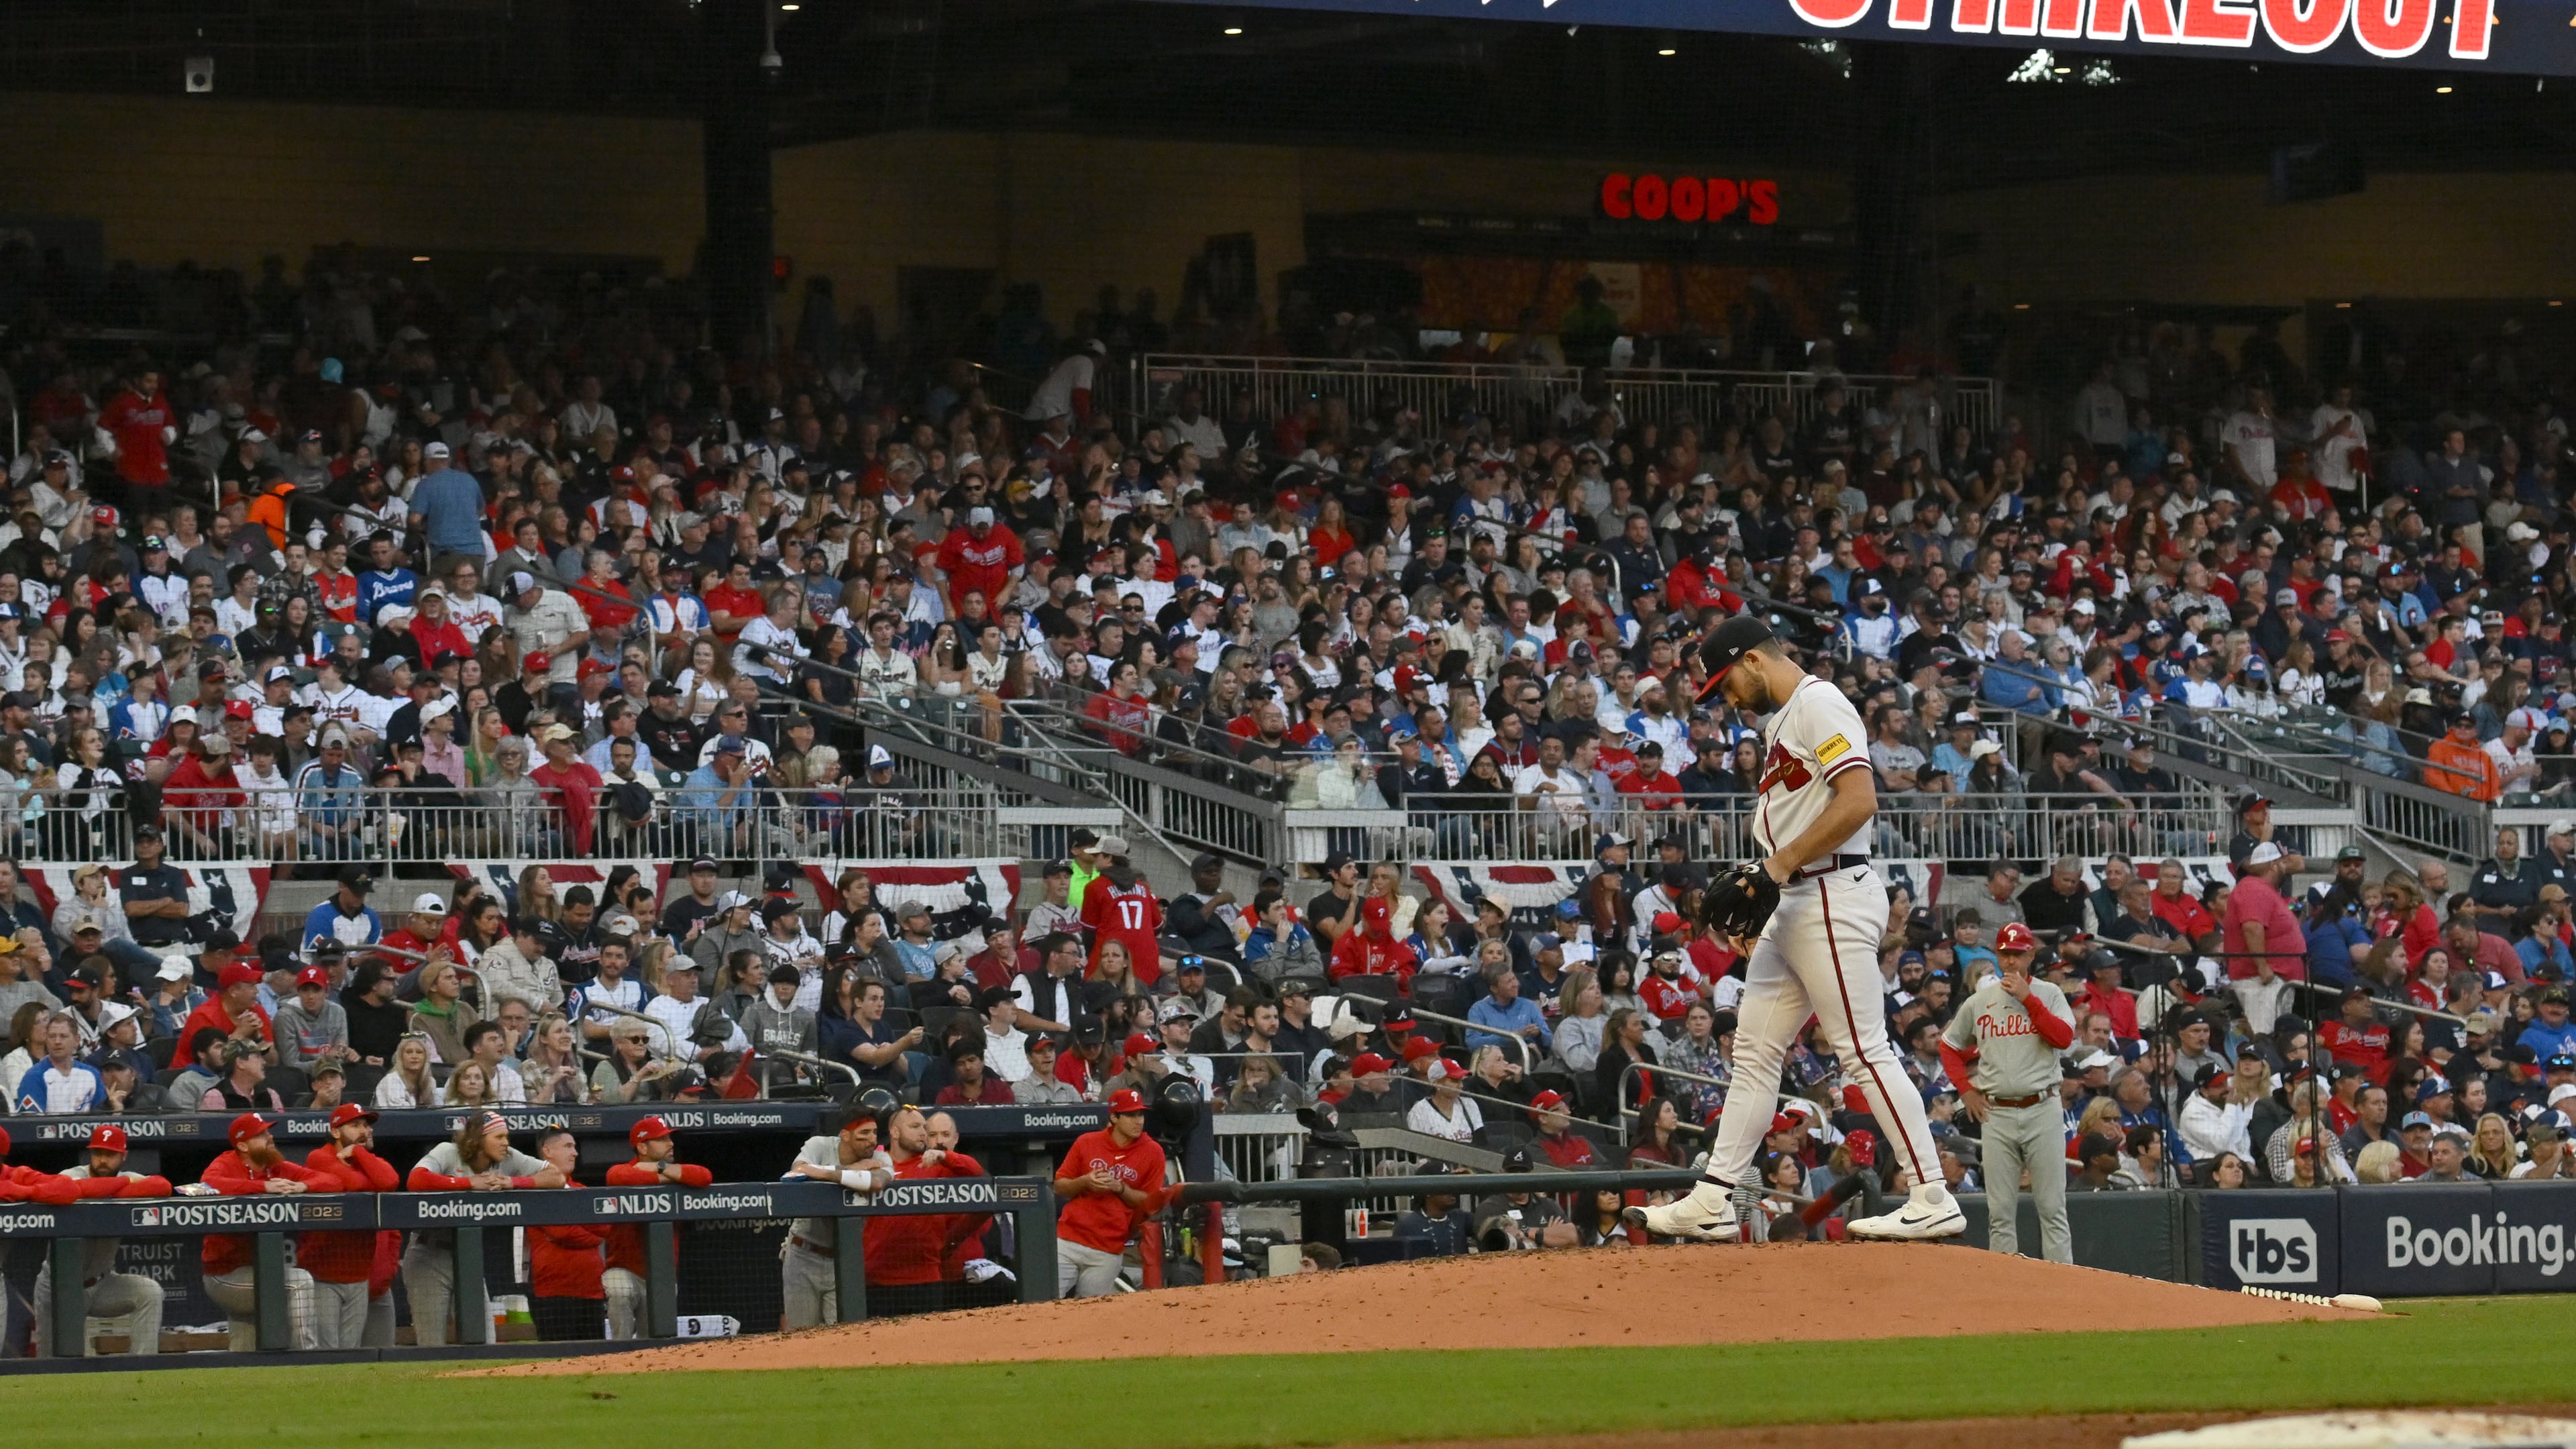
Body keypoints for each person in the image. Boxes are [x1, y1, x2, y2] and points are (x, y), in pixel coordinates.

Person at [1633, 616, 1960, 1243]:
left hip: (1829, 892)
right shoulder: (1782, 719)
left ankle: (1931, 1192)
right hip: (1796, 897)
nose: (1724, 698)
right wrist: (1765, 887)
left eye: (1725, 682)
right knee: (1754, 1053)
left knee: (1862, 1051)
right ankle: (1714, 1197)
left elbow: (1860, 799)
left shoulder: (1819, 702)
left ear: (1754, 661)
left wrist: (1776, 867)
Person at [1938, 922, 2076, 1263]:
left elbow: (2063, 1038)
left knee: (2052, 1208)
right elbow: (1949, 1045)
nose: (2011, 961)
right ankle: (2006, 1294)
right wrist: (1966, 1090)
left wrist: (2029, 1000)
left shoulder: (2049, 993)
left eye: (2018, 954)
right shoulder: (1981, 1001)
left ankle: (2064, 1293)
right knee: (2000, 1213)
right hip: (1996, 1111)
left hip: (2042, 1106)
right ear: (1997, 955)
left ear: (2030, 955)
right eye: (2005, 953)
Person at [401, 1110, 567, 1344]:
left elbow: (557, 1177)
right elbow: (416, 1179)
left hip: (467, 1256)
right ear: (478, 1139)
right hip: (429, 1253)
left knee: (484, 1337)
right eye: (499, 1137)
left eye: (506, 1136)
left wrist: (515, 1181)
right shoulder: (449, 1152)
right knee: (431, 1342)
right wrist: (468, 1183)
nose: (506, 1143)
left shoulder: (508, 1157)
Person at [34, 1124, 171, 1358]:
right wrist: (123, 1188)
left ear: (123, 1156)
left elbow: (162, 1186)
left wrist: (114, 1187)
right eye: (98, 1154)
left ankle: (142, 1368)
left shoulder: (129, 1178)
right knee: (57, 1363)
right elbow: (74, 1189)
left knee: (150, 1293)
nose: (102, 1161)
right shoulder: (71, 1175)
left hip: (103, 1283)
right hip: (59, 1286)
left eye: (110, 1155)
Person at [198, 1112, 323, 1351]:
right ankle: (307, 1357)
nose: (270, 1137)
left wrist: (304, 1185)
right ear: (243, 1145)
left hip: (261, 1271)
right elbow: (205, 1186)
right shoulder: (228, 1162)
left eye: (268, 1132)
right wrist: (262, 1187)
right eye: (261, 1134)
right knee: (300, 1282)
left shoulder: (276, 1166)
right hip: (225, 1275)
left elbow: (331, 1181)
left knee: (245, 1356)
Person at [779, 1109, 897, 1329]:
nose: (872, 1139)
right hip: (803, 1254)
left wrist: (822, 1174)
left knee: (844, 1334)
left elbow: (878, 1182)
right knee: (801, 1335)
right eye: (864, 1133)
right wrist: (851, 1170)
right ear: (845, 1135)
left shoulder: (880, 1157)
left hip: (844, 1260)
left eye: (874, 1132)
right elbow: (797, 1172)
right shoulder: (820, 1145)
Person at [864, 1105, 987, 1315]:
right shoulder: (873, 1164)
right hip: (876, 1280)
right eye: (914, 1127)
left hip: (925, 1278)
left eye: (924, 1127)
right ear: (895, 1132)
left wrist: (946, 1157)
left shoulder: (935, 1165)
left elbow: (977, 1173)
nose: (922, 1132)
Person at [298, 1102, 399, 1350]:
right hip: (323, 1276)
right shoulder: (319, 1157)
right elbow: (354, 1184)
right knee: (327, 1355)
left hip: (358, 1276)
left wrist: (360, 1154)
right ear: (335, 1132)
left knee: (351, 1353)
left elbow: (390, 1181)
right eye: (355, 1126)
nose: (364, 1131)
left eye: (366, 1126)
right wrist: (366, 1169)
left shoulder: (368, 1159)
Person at [598, 1116, 710, 1338]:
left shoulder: (671, 1168)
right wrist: (671, 1177)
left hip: (661, 1276)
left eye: (669, 1138)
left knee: (654, 1342)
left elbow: (704, 1176)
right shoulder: (624, 1170)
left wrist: (660, 1168)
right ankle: (618, 1354)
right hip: (624, 1270)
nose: (670, 1143)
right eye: (661, 1139)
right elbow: (617, 1176)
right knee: (620, 1292)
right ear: (642, 1147)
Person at [1052, 1087, 1169, 1298]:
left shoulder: (1153, 1152)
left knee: (1092, 1312)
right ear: (1114, 1117)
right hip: (1068, 1241)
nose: (1139, 1121)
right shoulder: (1087, 1142)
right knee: (1041, 1301)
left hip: (1108, 1249)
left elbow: (1152, 1202)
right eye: (1131, 1115)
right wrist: (1085, 1182)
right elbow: (1060, 1186)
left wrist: (1121, 1188)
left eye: (1141, 1114)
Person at [526, 1128, 609, 1342]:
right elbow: (564, 1232)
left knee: (595, 1361)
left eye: (574, 1147)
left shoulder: (580, 1188)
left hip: (591, 1290)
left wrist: (590, 1234)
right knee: (558, 1362)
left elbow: (605, 1228)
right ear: (547, 1151)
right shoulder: (537, 1187)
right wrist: (592, 1236)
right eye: (568, 1146)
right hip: (554, 1294)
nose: (575, 1153)